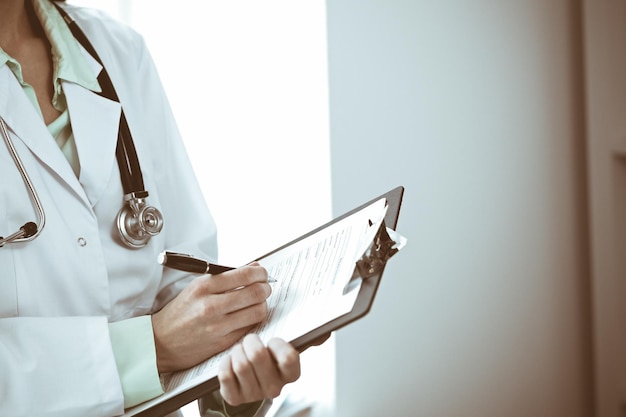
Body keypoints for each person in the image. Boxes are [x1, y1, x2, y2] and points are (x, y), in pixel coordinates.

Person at [0, 0, 310, 416]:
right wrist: (153, 347)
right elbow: (168, 337)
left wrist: (231, 377)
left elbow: (181, 277)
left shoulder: (117, 50)